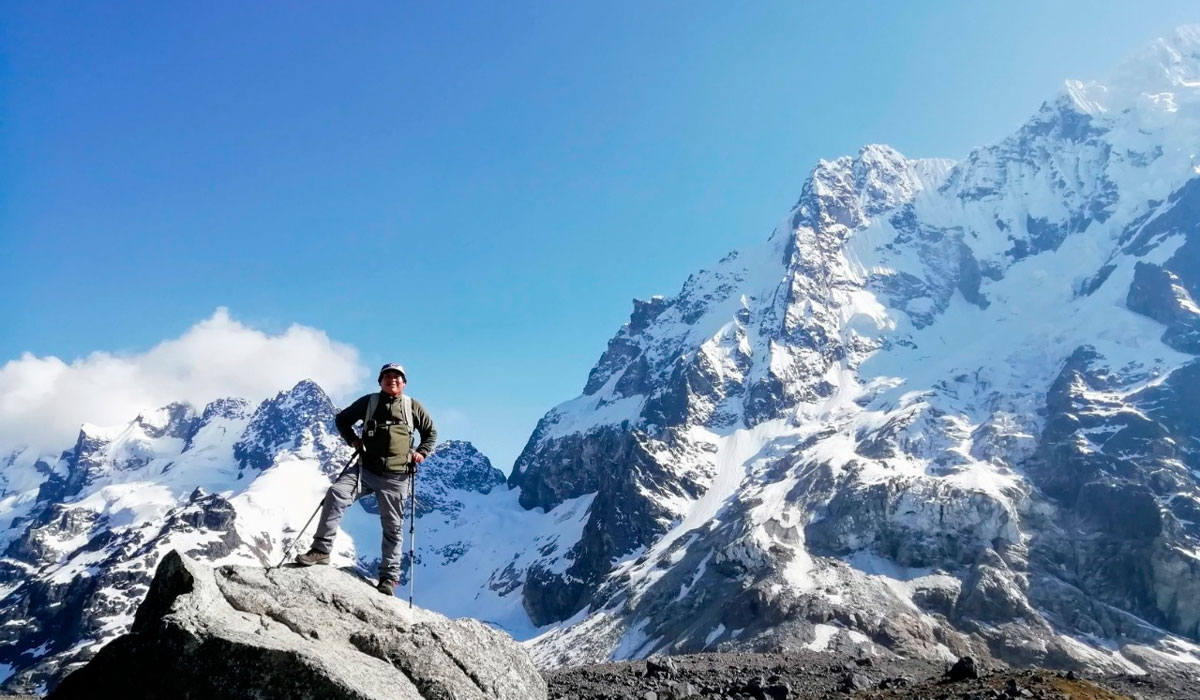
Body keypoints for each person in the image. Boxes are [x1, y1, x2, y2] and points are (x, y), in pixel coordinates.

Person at [295, 362, 437, 596]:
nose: (392, 380)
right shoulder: (369, 402)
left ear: (404, 383)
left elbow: (430, 432)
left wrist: (421, 451)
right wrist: (353, 440)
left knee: (393, 527)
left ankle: (389, 578)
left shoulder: (413, 406)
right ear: (380, 381)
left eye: (397, 377)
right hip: (365, 470)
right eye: (388, 376)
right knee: (336, 494)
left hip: (397, 475)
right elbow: (342, 420)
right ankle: (320, 550)